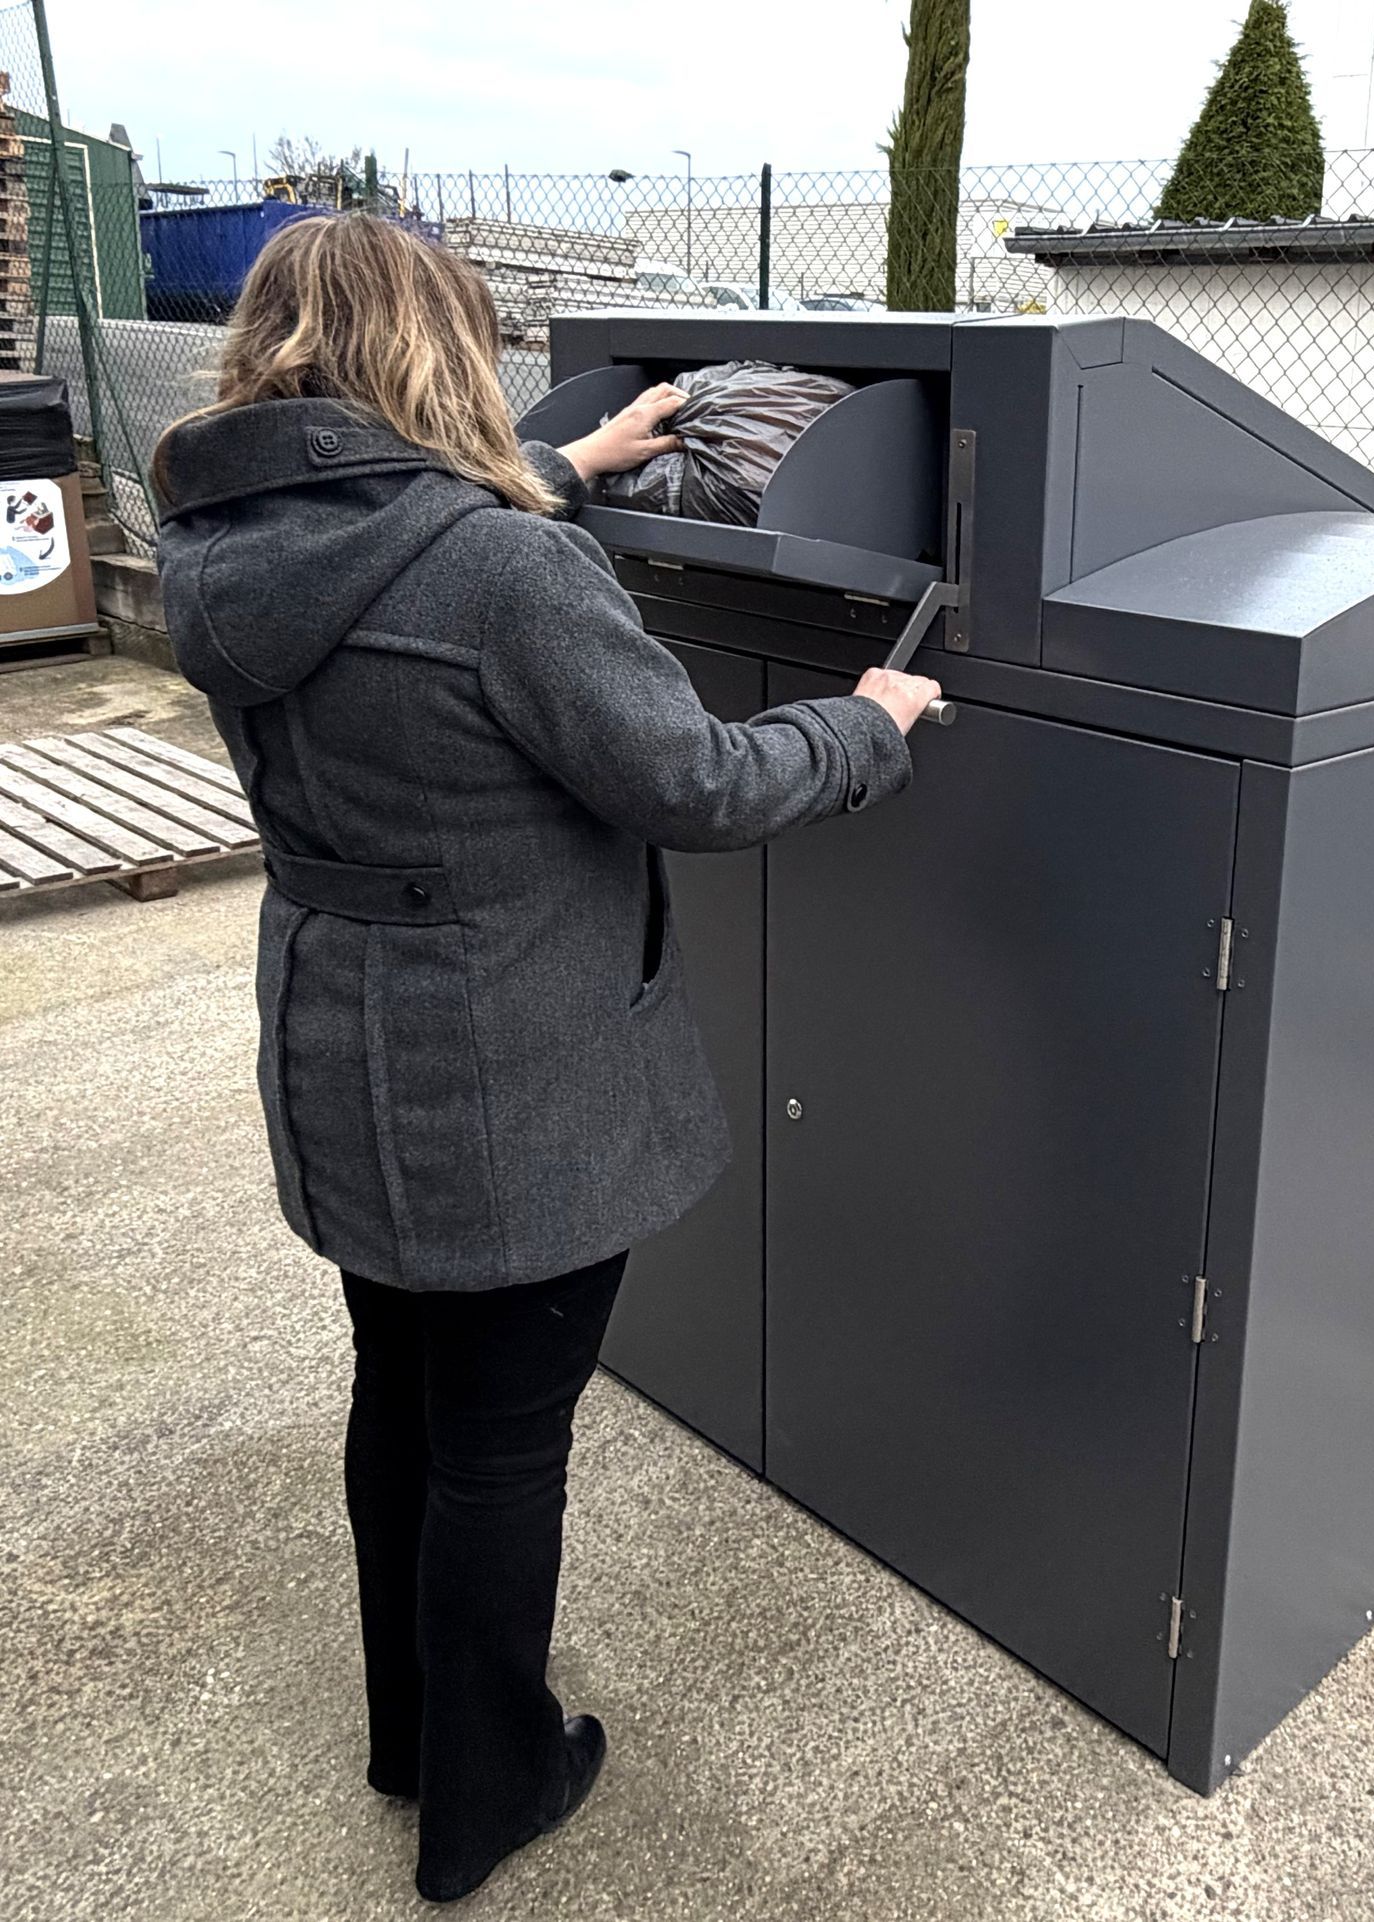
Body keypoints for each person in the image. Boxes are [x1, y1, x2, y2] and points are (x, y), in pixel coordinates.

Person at [150, 214, 940, 1904]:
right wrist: (870, 728)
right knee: (502, 1449)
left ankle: (411, 1733)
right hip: (514, 1079)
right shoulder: (507, 575)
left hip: (341, 1043)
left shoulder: (222, 550)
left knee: (402, 1403)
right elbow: (703, 784)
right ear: (437, 348)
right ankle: (488, 1792)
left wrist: (573, 463)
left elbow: (394, 555)